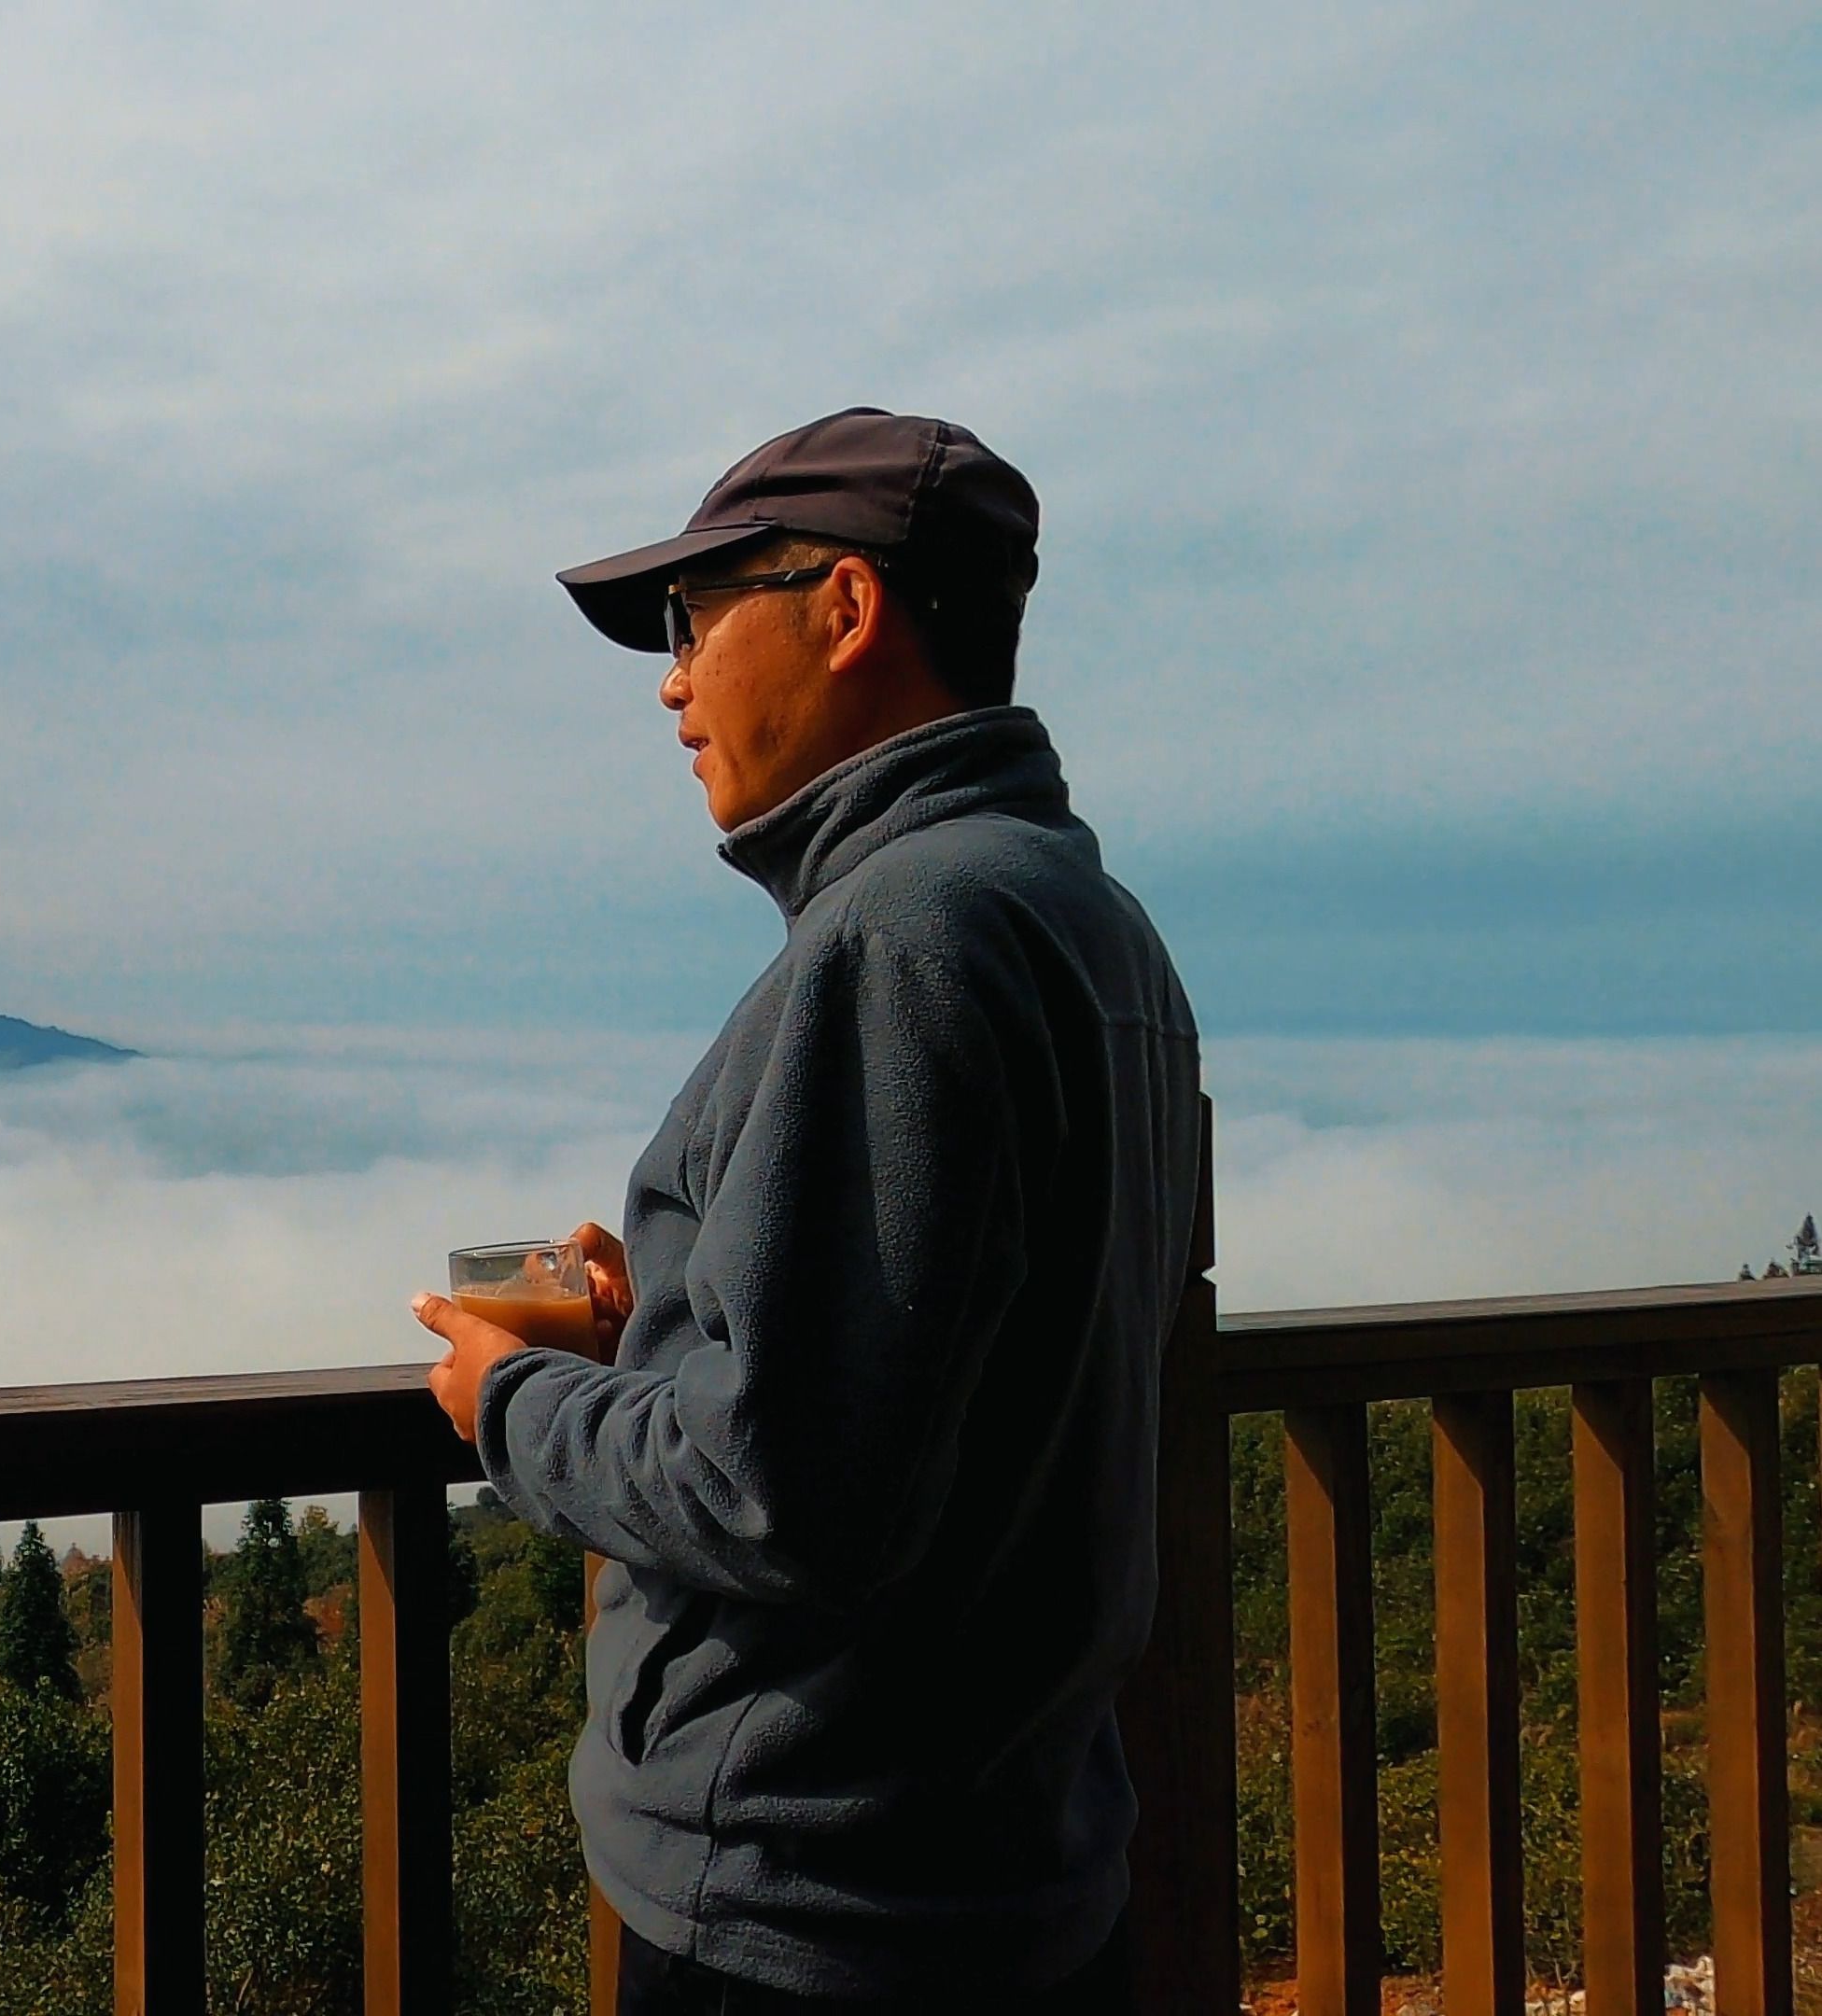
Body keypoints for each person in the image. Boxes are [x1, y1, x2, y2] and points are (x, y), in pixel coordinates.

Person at [409, 408, 1199, 2013]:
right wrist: (682, 1322)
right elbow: (958, 1375)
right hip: (1021, 1872)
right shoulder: (1098, 928)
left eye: (699, 619)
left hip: (821, 1908)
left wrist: (512, 1403)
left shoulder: (902, 943)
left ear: (845, 612)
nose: (671, 677)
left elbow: (797, 1491)